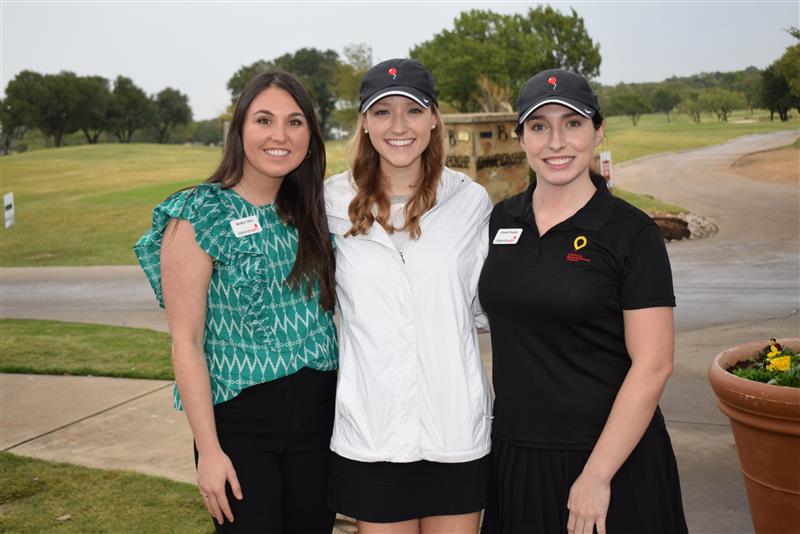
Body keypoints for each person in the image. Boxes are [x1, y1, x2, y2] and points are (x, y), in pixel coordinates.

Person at [478, 69, 688, 534]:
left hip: (610, 462)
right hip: (516, 456)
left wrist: (596, 476)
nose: (556, 142)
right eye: (539, 126)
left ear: (598, 130)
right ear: (523, 137)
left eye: (572, 123)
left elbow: (654, 364)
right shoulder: (500, 220)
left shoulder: (630, 233)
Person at [134, 71, 338, 534]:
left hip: (320, 418)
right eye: (264, 120)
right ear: (240, 129)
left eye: (295, 122)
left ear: (311, 134)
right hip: (241, 426)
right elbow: (185, 342)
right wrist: (208, 451)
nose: (279, 136)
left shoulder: (314, 210)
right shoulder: (198, 213)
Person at [324, 58, 494, 534]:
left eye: (413, 111)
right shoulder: (330, 203)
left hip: (454, 430)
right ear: (364, 122)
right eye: (382, 112)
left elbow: (487, 309)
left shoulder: (470, 201)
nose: (398, 126)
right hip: (373, 435)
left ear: (434, 117)